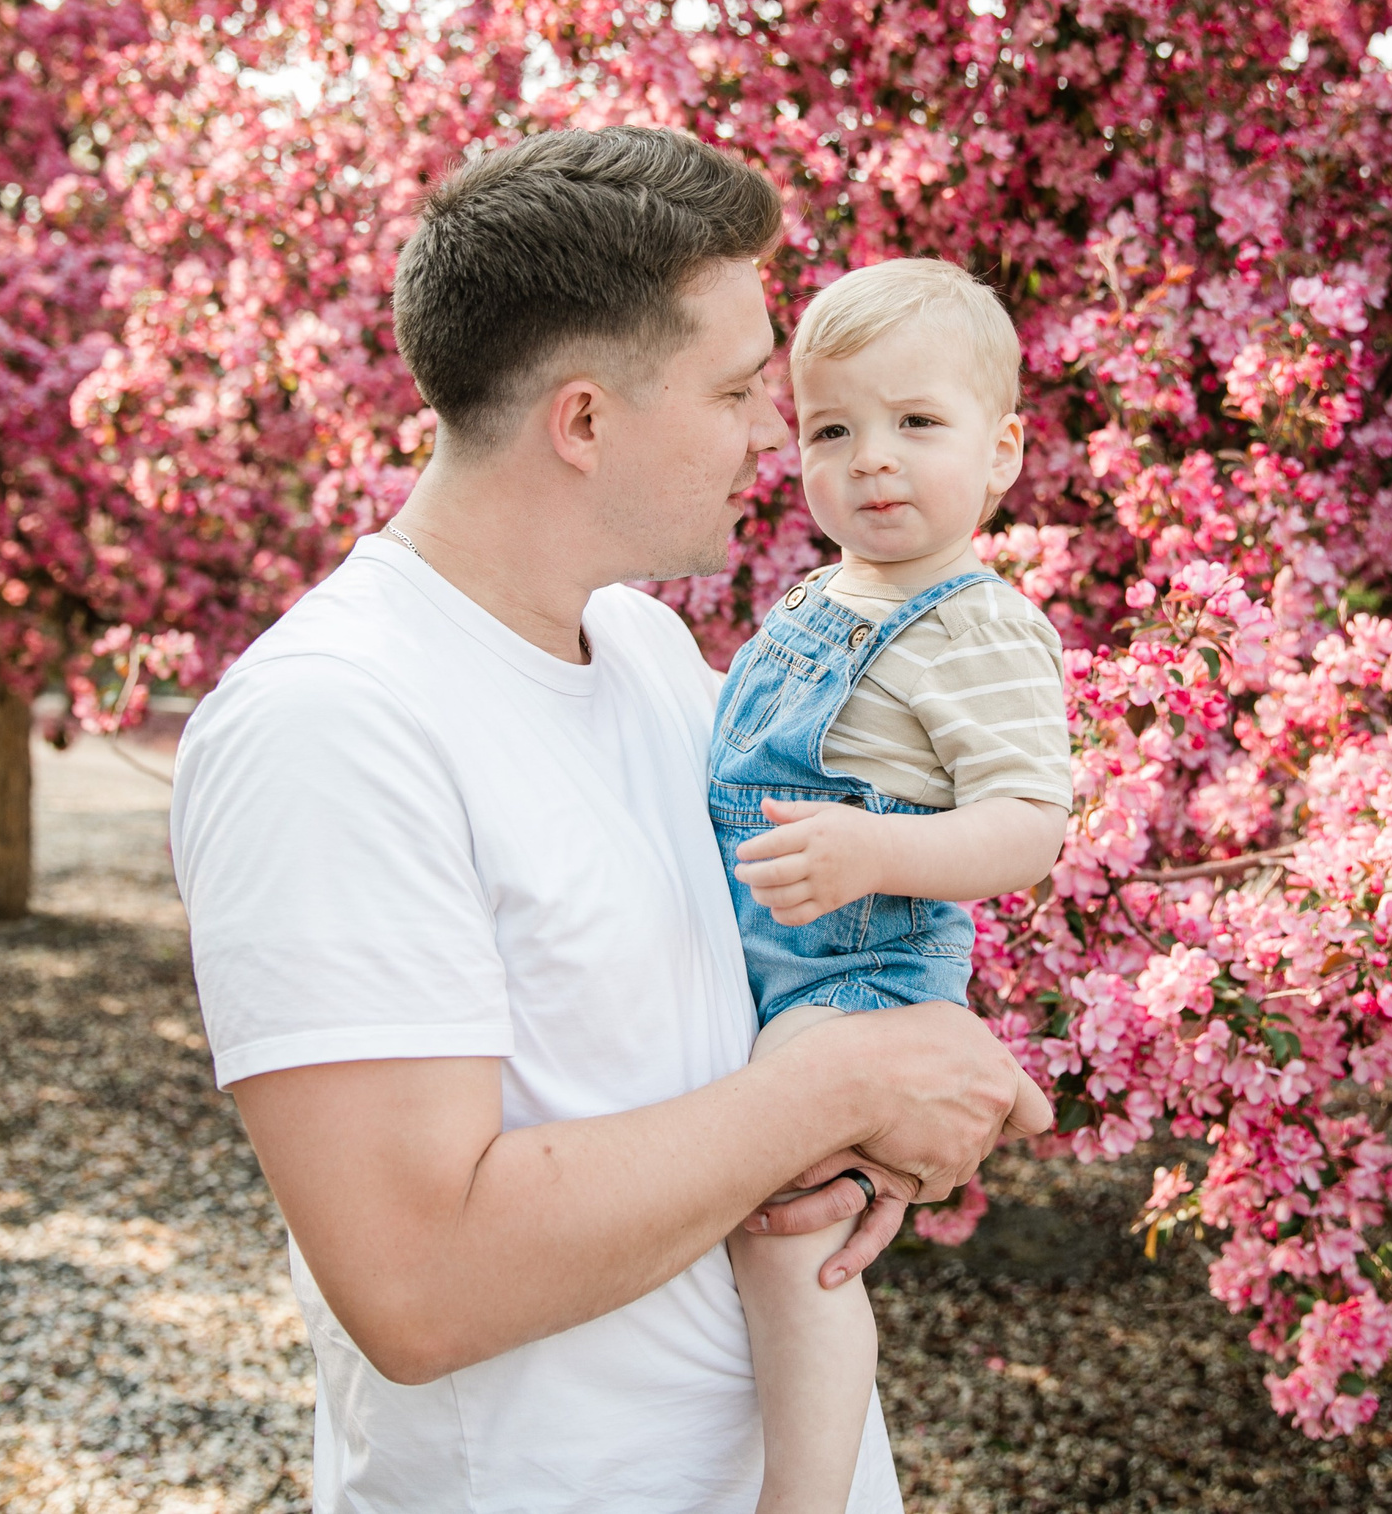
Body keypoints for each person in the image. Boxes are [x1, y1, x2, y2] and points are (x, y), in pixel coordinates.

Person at [168, 126, 1052, 1512]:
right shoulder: (333, 723)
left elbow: (753, 1007)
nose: (774, 434)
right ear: (583, 422)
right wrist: (841, 1088)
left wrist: (900, 1080)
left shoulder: (641, 653)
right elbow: (417, 1281)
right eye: (739, 389)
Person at [712, 260, 1072, 1514]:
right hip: (771, 949)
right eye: (832, 428)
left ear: (1002, 452)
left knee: (786, 1229)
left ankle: (803, 1497)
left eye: (917, 423)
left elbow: (1029, 824)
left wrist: (880, 852)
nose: (872, 458)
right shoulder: (820, 595)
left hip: (856, 968)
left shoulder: (975, 627)